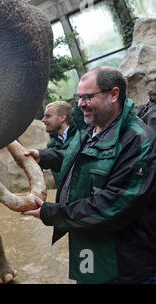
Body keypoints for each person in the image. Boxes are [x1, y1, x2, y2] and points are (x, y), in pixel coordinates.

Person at [23, 66, 156, 284]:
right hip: (92, 249)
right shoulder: (91, 129)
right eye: (79, 97)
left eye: (87, 97)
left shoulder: (138, 141)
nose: (80, 104)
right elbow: (79, 156)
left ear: (113, 94)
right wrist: (43, 156)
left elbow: (113, 206)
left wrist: (54, 213)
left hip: (125, 264)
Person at [41, 101, 76, 187]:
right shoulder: (51, 145)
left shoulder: (79, 139)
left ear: (62, 118)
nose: (43, 120)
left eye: (48, 116)